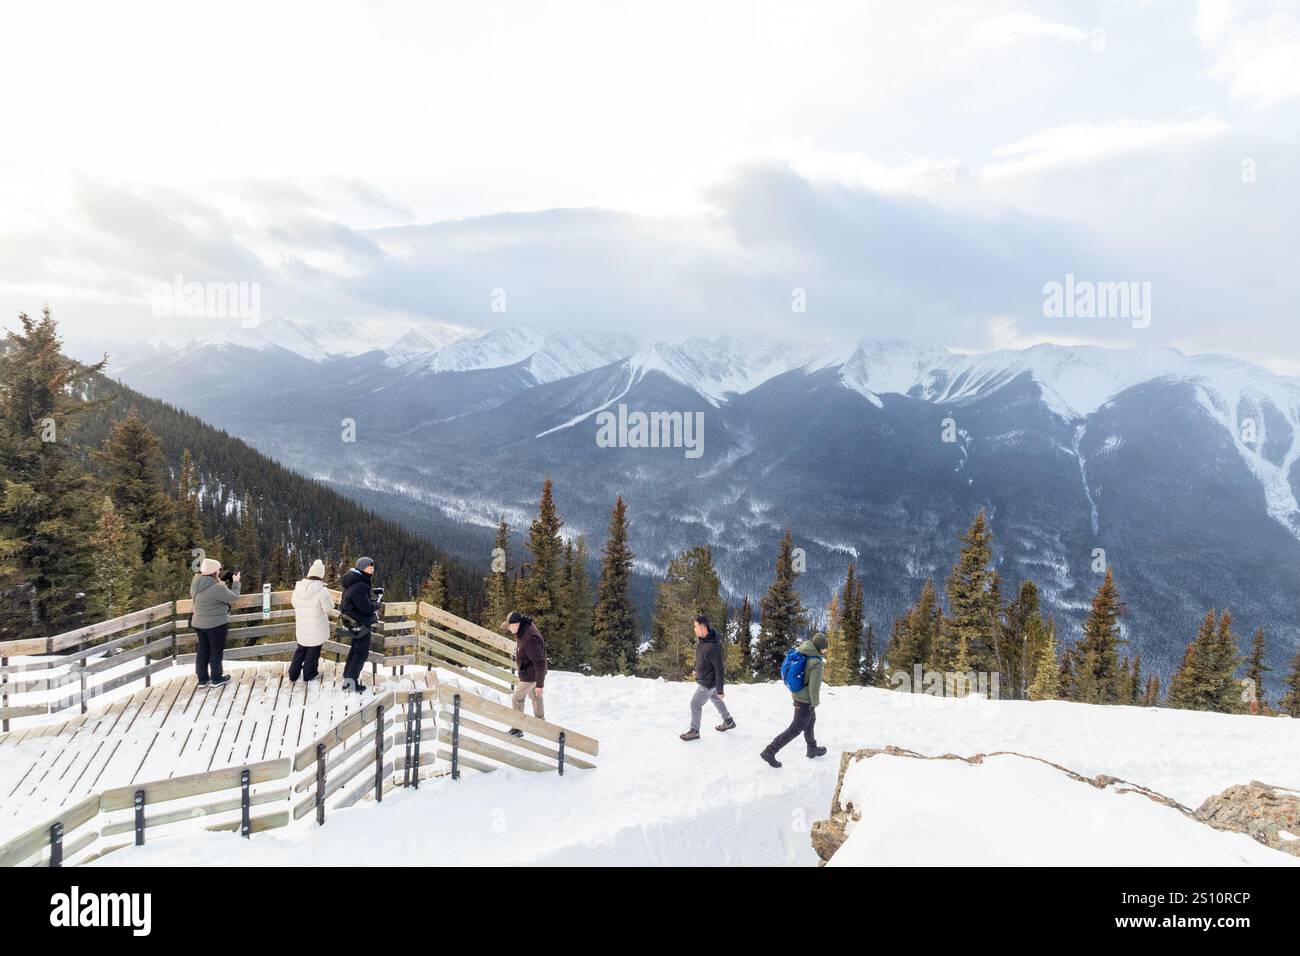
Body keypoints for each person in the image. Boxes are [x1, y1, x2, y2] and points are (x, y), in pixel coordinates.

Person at [760, 632, 829, 768]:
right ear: (820, 647)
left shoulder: (804, 651)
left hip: (798, 694)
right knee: (795, 729)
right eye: (825, 647)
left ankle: (812, 749)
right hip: (805, 700)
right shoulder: (816, 662)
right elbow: (814, 687)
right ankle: (770, 751)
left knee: (810, 721)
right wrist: (814, 702)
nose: (826, 650)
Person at [680, 614, 735, 741]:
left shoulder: (713, 647)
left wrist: (720, 690)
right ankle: (728, 721)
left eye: (695, 626)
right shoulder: (702, 640)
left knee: (695, 703)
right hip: (705, 678)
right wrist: (696, 670)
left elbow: (719, 669)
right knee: (715, 699)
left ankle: (694, 731)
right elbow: (700, 658)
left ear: (703, 628)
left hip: (708, 683)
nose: (694, 629)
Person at [189, 558, 241, 688]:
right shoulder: (216, 587)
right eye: (219, 569)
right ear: (213, 572)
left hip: (199, 623)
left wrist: (224, 580)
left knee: (202, 650)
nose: (220, 571)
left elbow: (211, 590)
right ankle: (217, 678)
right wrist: (236, 583)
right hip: (215, 624)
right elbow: (233, 597)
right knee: (216, 651)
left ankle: (202, 679)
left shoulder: (196, 582)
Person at [339, 557, 381, 694]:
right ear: (362, 568)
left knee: (355, 650)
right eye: (370, 567)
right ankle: (350, 684)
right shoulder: (360, 585)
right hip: (359, 622)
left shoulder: (354, 580)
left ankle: (348, 676)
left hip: (352, 621)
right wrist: (378, 604)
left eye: (373, 567)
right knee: (361, 654)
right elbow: (366, 608)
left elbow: (360, 602)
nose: (372, 570)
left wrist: (372, 600)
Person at [289, 559, 333, 683]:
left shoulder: (298, 588)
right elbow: (328, 608)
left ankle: (293, 674)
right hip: (316, 628)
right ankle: (309, 674)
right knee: (313, 652)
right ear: (321, 575)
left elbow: (293, 603)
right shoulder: (322, 590)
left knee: (301, 650)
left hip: (302, 626)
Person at [504, 611, 546, 734]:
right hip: (530, 671)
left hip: (531, 674)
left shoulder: (529, 638)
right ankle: (541, 723)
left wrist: (539, 684)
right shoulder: (524, 628)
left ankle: (517, 727)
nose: (508, 628)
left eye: (509, 626)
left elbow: (540, 662)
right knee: (535, 696)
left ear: (516, 624)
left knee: (517, 698)